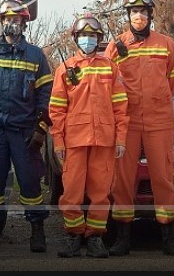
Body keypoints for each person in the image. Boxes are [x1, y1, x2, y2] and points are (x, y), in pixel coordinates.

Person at [104, 0, 174, 256]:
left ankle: (168, 236)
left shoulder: (165, 44)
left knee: (163, 177)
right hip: (127, 120)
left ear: (151, 14)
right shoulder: (116, 46)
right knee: (123, 179)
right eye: (134, 11)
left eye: (143, 11)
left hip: (159, 118)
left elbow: (172, 80)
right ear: (128, 14)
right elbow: (106, 82)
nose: (138, 15)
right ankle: (123, 237)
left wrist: (155, 99)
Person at [49, 13, 129, 259]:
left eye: (92, 36)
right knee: (71, 191)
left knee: (100, 193)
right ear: (76, 39)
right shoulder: (65, 69)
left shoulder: (110, 67)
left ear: (99, 39)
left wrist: (121, 139)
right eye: (83, 36)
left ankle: (95, 237)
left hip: (104, 140)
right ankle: (73, 236)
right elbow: (56, 109)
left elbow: (121, 107)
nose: (88, 40)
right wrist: (59, 142)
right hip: (74, 141)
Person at [0, 0, 52, 252]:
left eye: (17, 20)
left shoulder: (36, 55)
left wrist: (41, 129)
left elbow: (45, 95)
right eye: (8, 20)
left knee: (31, 184)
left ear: (24, 23)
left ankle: (37, 231)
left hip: (24, 132)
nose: (12, 24)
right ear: (1, 22)